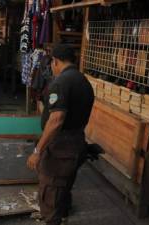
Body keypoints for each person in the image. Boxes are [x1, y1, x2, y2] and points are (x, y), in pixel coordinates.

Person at [27, 44, 95, 225]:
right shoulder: (83, 81)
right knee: (63, 186)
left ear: (55, 61)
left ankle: (54, 220)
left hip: (61, 147)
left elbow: (57, 119)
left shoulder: (61, 82)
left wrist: (37, 150)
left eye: (51, 63)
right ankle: (62, 216)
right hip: (76, 141)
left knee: (51, 191)